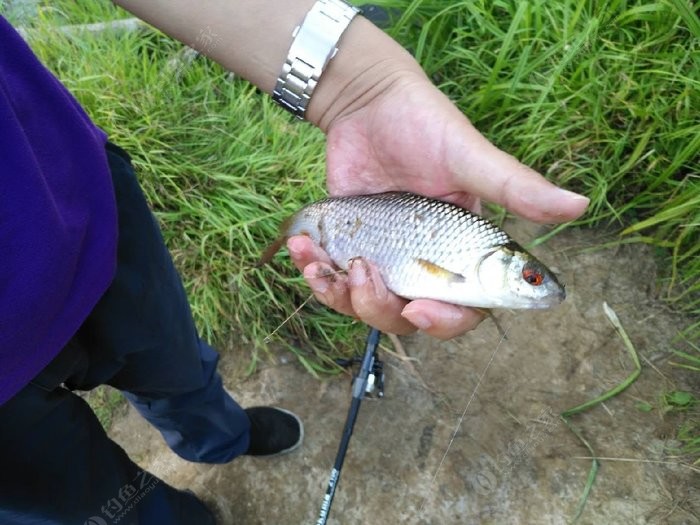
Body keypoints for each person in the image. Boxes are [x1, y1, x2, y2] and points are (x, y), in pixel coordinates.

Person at [0, 1, 589, 523]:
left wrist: (364, 86)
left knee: (177, 367)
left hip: (79, 199)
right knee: (86, 506)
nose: (536, 287)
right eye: (532, 278)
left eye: (533, 278)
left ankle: (221, 439)